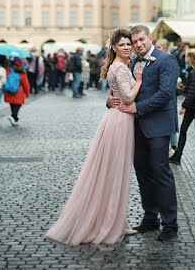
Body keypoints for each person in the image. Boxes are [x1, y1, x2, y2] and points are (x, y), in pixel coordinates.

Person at [45, 28, 143, 245]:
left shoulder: (116, 66)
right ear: (114, 47)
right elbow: (127, 98)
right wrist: (139, 81)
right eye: (123, 44)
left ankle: (118, 220)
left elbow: (114, 95)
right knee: (116, 172)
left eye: (129, 44)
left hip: (114, 118)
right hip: (121, 119)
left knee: (114, 172)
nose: (127, 47)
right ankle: (113, 223)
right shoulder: (121, 68)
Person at [117, 25, 179, 241]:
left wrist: (138, 108)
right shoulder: (134, 61)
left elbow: (166, 93)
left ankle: (170, 224)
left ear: (150, 38)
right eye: (135, 42)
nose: (138, 44)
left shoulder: (166, 60)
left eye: (142, 40)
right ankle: (150, 219)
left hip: (159, 126)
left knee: (161, 173)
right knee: (143, 173)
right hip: (137, 126)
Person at [155, 38, 179, 154]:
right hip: (165, 95)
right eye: (156, 46)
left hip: (168, 95)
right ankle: (173, 145)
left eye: (159, 47)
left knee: (170, 118)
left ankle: (174, 145)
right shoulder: (158, 58)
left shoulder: (169, 58)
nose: (156, 49)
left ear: (165, 47)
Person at [3, 58, 30, 126]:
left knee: (12, 105)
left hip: (9, 91)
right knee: (17, 105)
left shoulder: (8, 70)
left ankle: (14, 119)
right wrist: (27, 94)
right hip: (18, 92)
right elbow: (26, 85)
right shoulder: (22, 73)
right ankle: (13, 116)